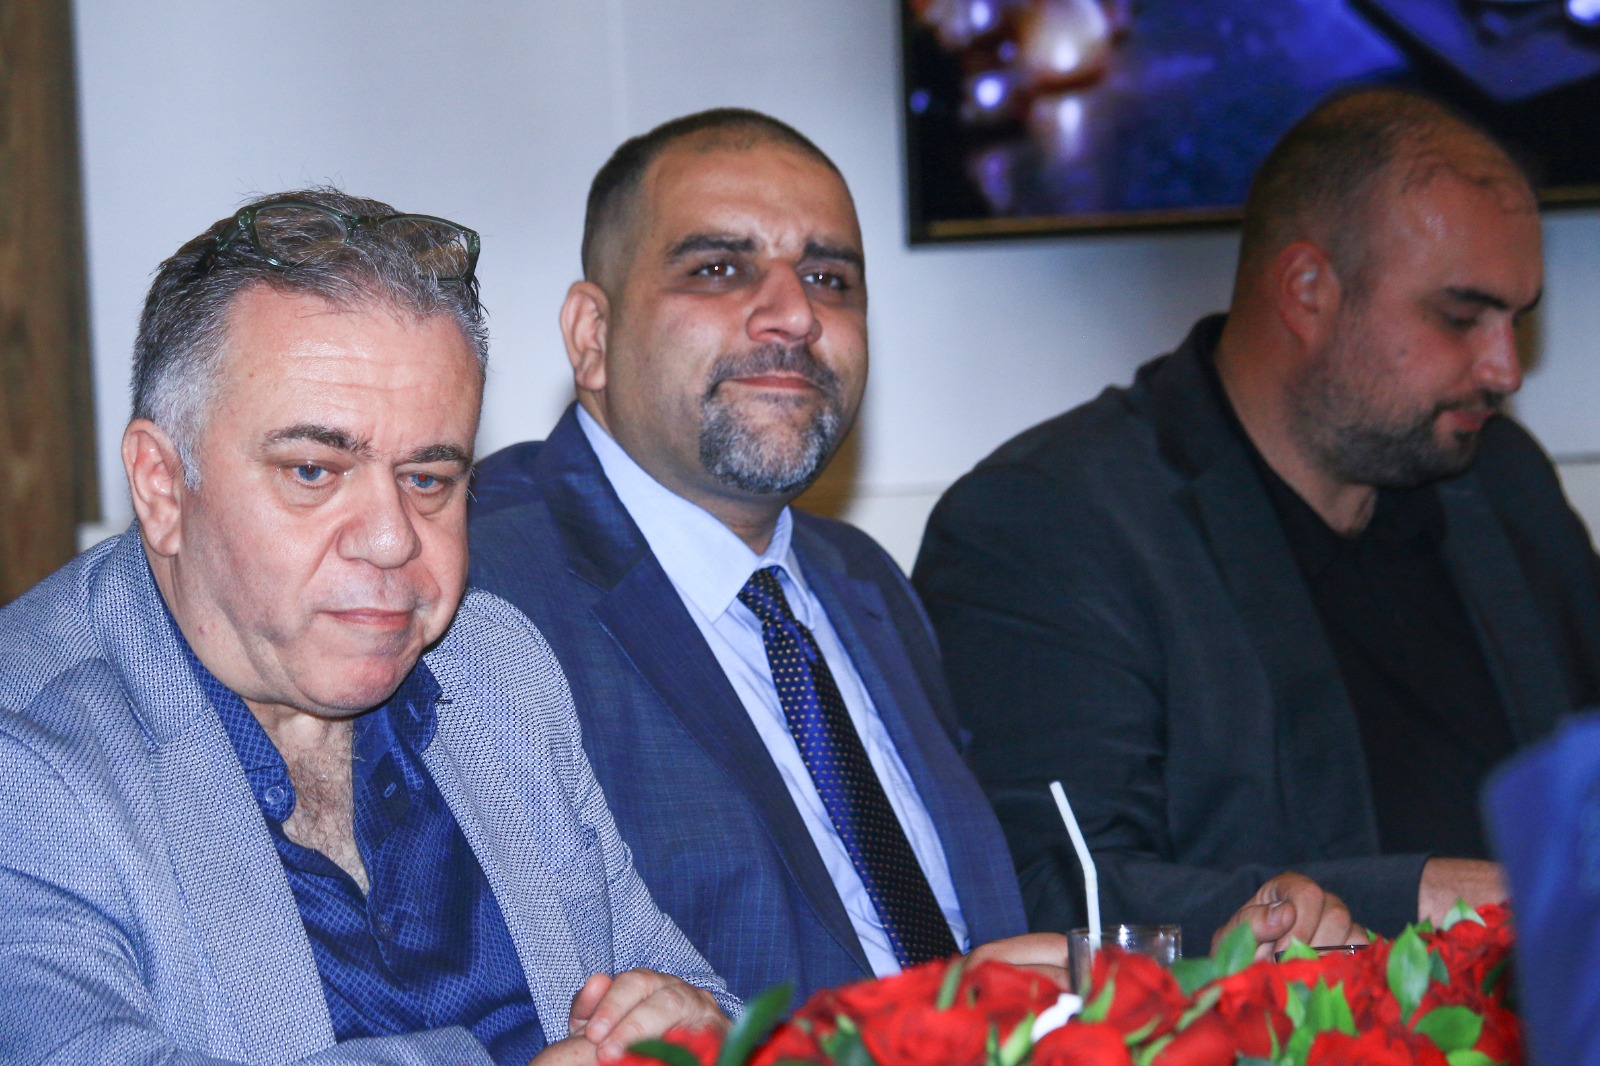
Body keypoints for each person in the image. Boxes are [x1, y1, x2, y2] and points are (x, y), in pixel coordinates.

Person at [467, 108, 1352, 1003]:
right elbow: (518, 1013)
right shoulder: (483, 592)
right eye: (719, 268)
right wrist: (922, 1021)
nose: (795, 315)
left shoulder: (860, 579)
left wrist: (1205, 971)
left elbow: (998, 936)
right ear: (592, 336)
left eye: (829, 278)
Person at [0, 189, 732, 1065]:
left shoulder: (493, 664)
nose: (392, 540)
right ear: (163, 485)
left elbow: (683, 988)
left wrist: (697, 1031)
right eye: (314, 471)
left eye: (429, 479)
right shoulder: (25, 759)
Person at [914, 88, 1600, 945]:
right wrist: (1414, 896)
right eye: (1460, 317)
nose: (1505, 370)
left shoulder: (1498, 477)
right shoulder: (1047, 521)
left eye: (1515, 321)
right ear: (1308, 290)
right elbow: (1049, 890)